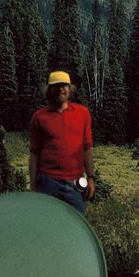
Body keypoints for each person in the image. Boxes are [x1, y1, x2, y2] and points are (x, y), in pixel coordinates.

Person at [28, 70, 95, 213]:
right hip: (48, 183)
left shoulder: (82, 113)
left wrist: (90, 177)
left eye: (64, 85)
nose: (60, 89)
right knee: (47, 227)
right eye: (56, 86)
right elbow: (34, 154)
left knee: (77, 226)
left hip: (76, 183)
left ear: (70, 89)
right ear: (48, 90)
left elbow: (87, 148)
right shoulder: (39, 117)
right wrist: (33, 186)